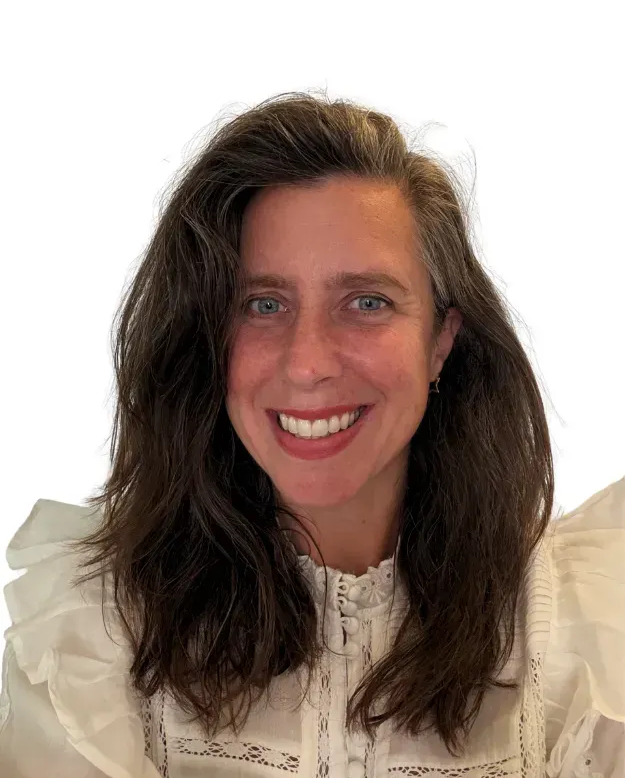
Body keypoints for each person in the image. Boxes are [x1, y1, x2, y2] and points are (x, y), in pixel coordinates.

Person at [1, 91, 623, 778]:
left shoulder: (584, 637)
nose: (308, 363)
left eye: (366, 302)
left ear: (440, 340)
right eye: (262, 304)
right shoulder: (92, 635)